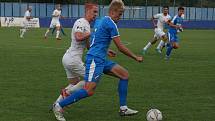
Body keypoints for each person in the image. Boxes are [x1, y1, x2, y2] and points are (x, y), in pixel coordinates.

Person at [52, 1, 143, 121]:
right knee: (89, 90)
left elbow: (95, 40)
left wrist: (106, 50)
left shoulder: (101, 20)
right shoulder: (111, 24)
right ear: (112, 11)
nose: (120, 17)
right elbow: (120, 47)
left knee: (124, 75)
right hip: (95, 60)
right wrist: (135, 57)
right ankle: (59, 106)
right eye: (119, 14)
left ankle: (123, 108)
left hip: (100, 58)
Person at [54, 3, 99, 105]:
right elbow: (78, 37)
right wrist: (91, 33)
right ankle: (67, 93)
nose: (96, 14)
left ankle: (56, 104)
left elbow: (88, 47)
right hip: (73, 59)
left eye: (97, 12)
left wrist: (104, 50)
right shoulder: (81, 22)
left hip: (68, 58)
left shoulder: (86, 24)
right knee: (91, 80)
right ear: (87, 11)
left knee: (74, 83)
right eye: (94, 11)